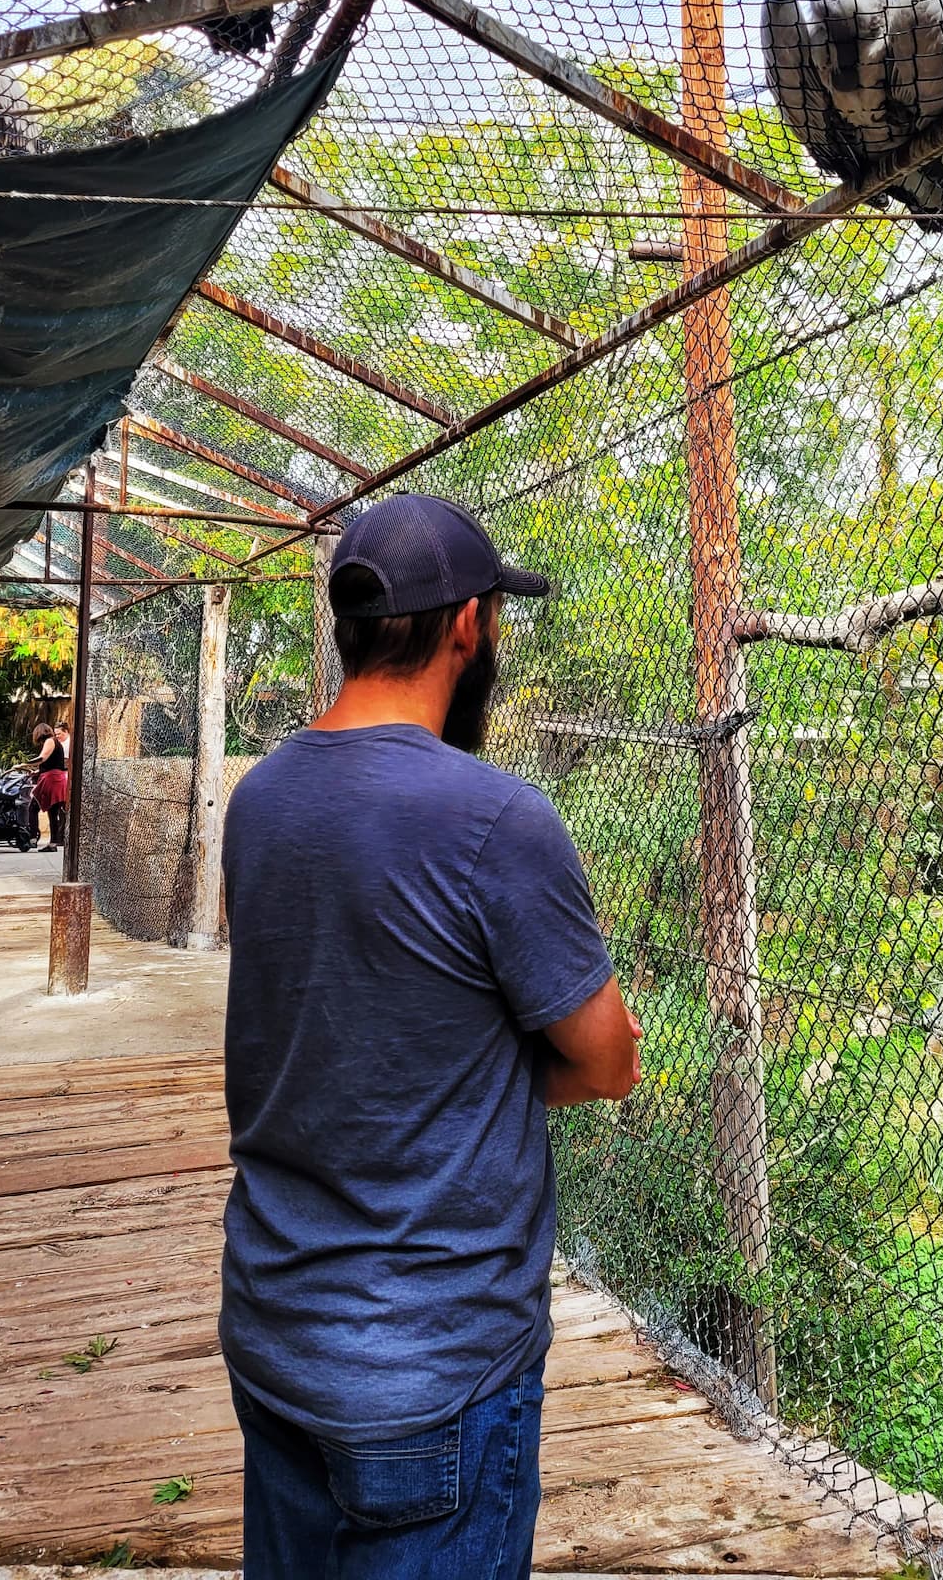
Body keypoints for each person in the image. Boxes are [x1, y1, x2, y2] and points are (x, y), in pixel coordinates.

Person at [220, 492, 642, 1580]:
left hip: (276, 1337)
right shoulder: (496, 821)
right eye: (495, 616)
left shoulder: (259, 802)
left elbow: (333, 1029)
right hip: (438, 1376)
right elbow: (609, 1060)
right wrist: (498, 1074)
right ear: (468, 627)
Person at [25, 721, 68, 851]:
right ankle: (53, 843)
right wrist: (37, 772)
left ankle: (32, 839)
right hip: (58, 779)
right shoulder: (57, 743)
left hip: (50, 780)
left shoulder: (50, 741)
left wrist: (24, 765)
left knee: (33, 807)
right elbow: (54, 763)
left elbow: (42, 758)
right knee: (53, 812)